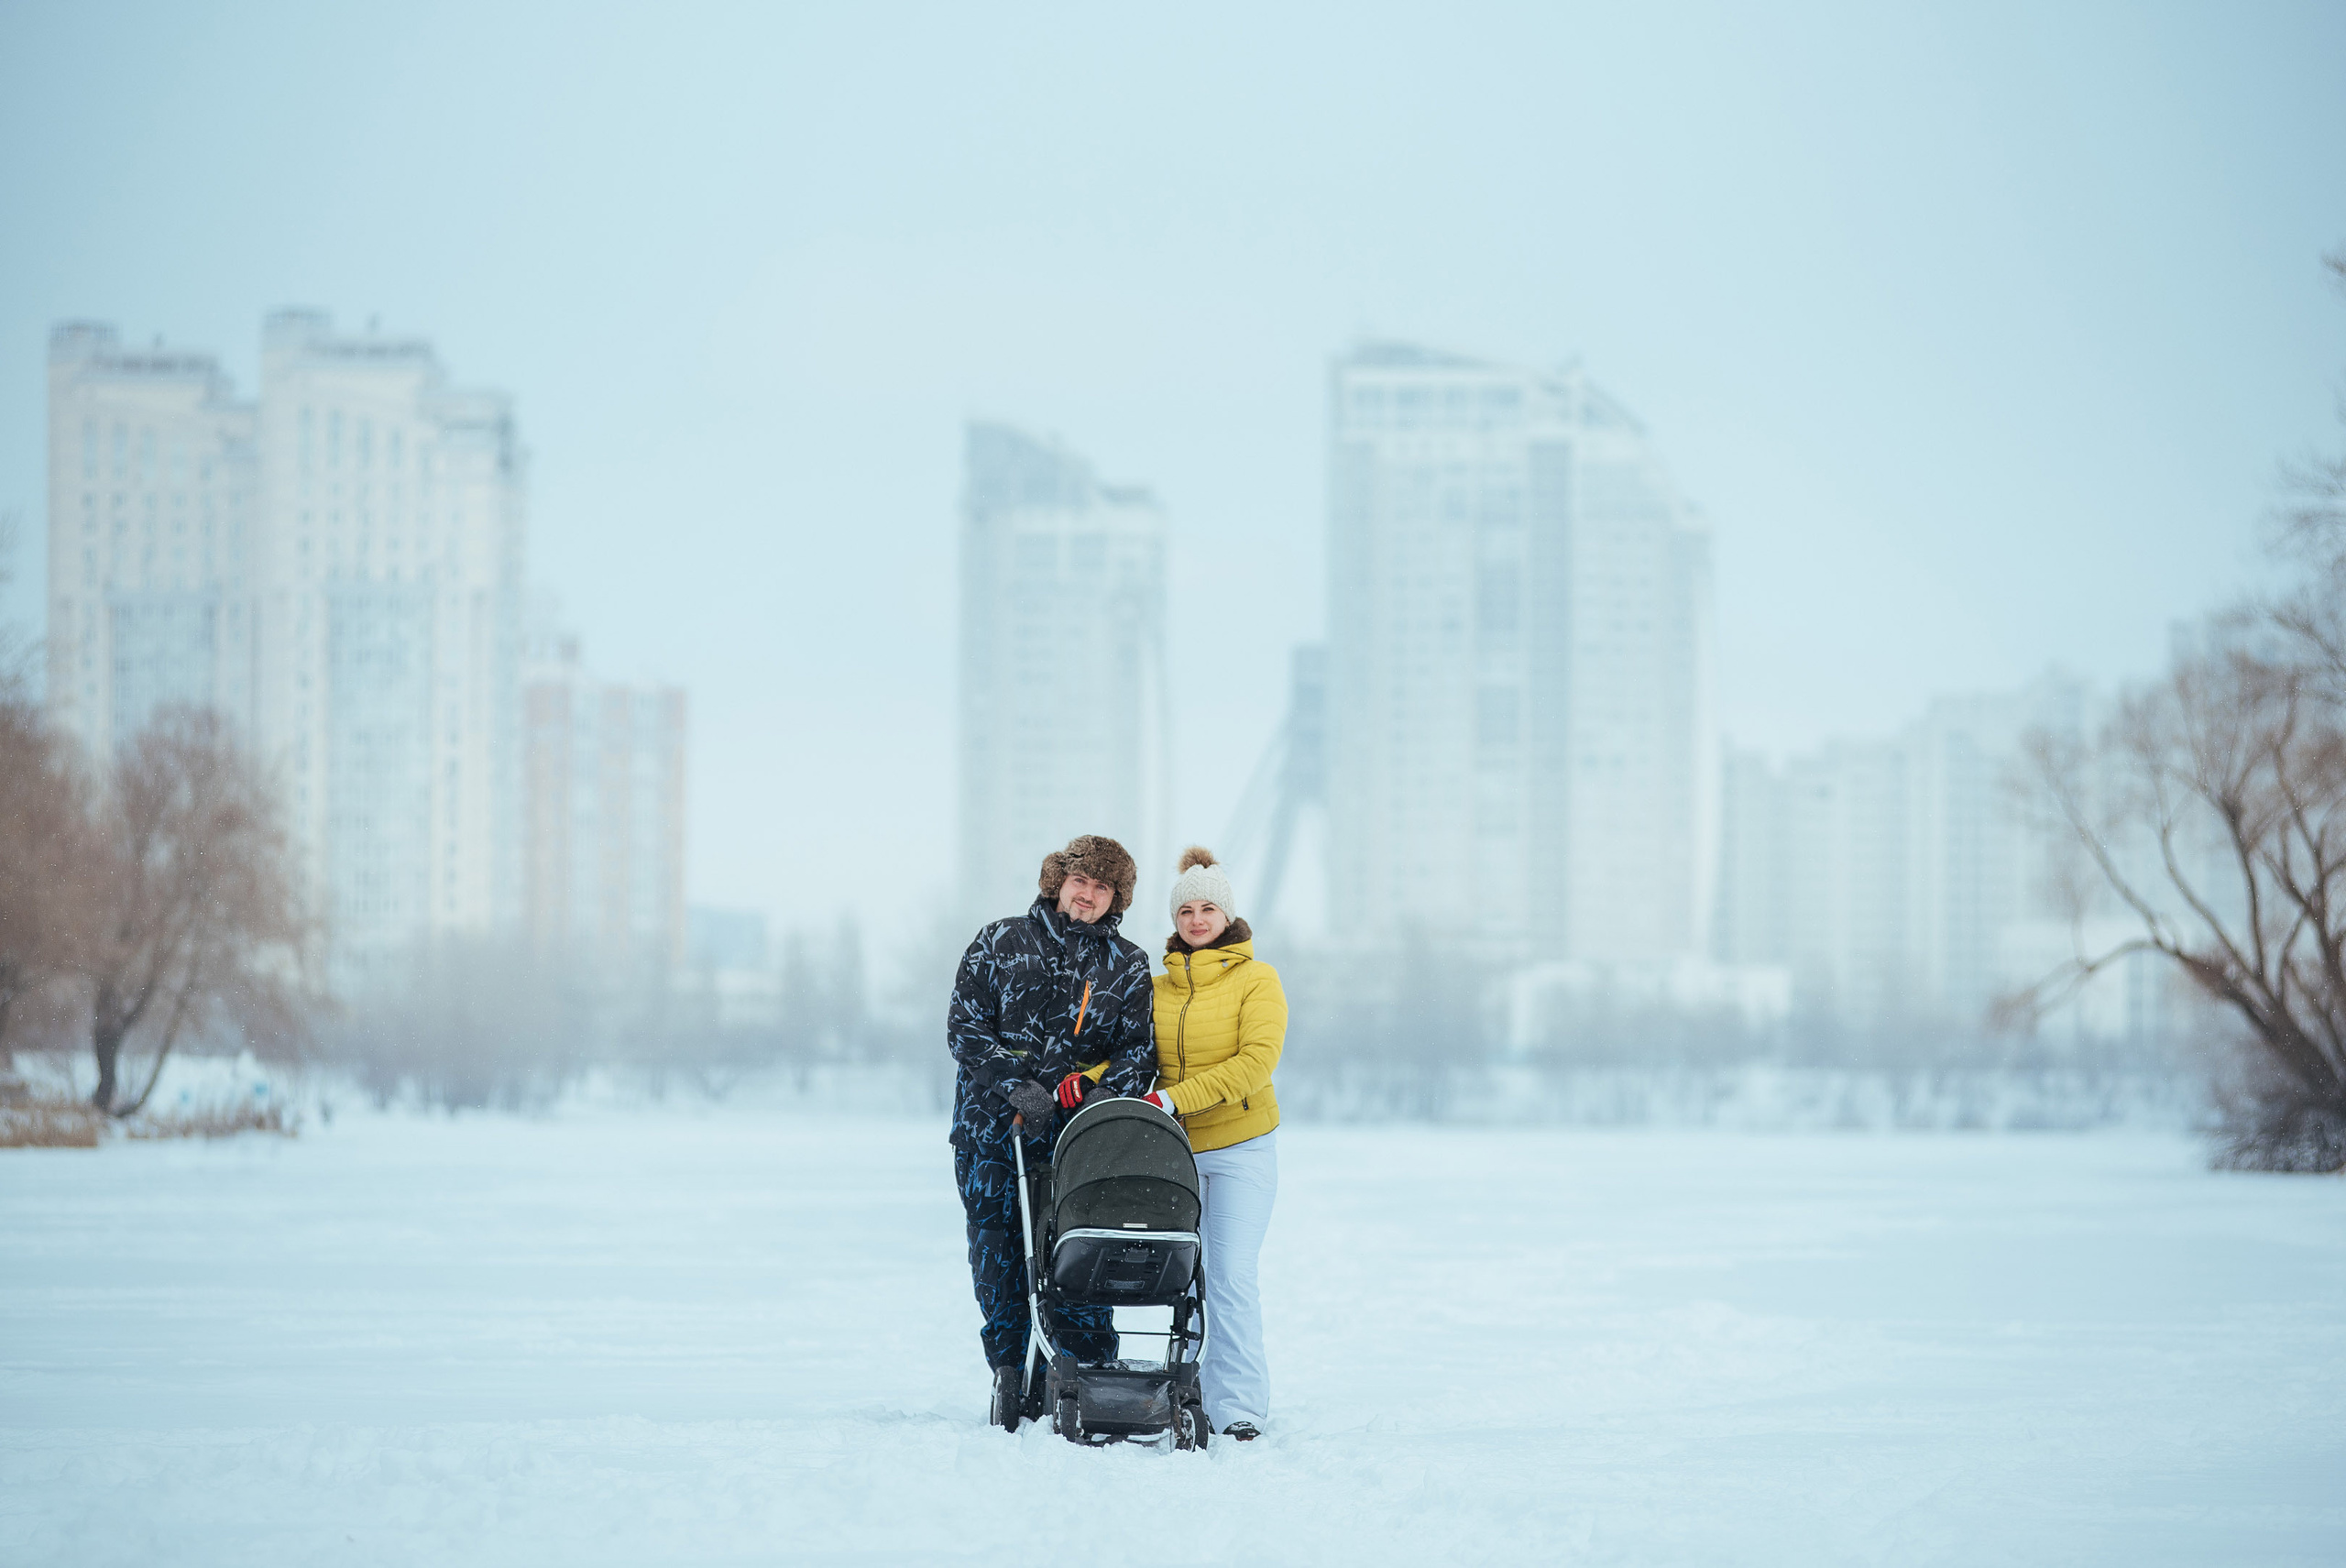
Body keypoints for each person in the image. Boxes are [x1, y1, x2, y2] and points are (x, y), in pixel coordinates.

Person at [946, 833, 1157, 1420]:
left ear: (1117, 899)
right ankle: (1010, 1371)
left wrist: (1092, 1089)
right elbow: (965, 1027)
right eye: (1079, 882)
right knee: (1000, 1255)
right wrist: (1017, 1083)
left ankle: (1081, 1370)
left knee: (1076, 1254)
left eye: (1102, 887)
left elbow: (1139, 1054)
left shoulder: (1129, 965)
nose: (1087, 895)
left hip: (1078, 1146)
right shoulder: (1000, 941)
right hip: (992, 1132)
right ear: (1057, 883)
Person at [1143, 846, 1286, 1442]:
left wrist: (1175, 1099)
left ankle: (1240, 1406)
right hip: (1178, 1152)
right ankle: (1187, 1386)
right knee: (1185, 1276)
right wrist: (1091, 1081)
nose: (1197, 919)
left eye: (1208, 908)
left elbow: (1256, 1062)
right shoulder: (1158, 986)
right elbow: (1132, 1055)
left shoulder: (1258, 979)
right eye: (1186, 910)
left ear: (1227, 915)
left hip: (1241, 1150)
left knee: (1228, 1274)